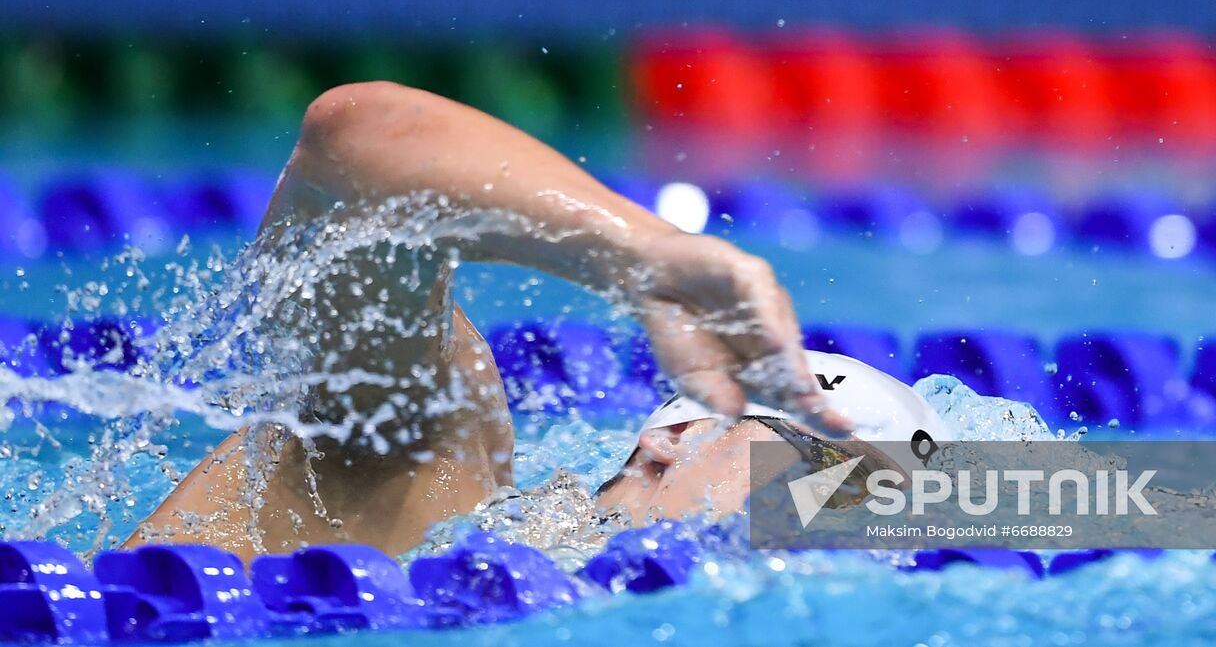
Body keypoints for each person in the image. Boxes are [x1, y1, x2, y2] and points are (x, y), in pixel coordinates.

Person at [127, 82, 949, 562]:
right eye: (823, 476)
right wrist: (646, 256)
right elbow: (352, 141)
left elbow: (1064, 496)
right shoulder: (428, 472)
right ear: (671, 445)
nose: (831, 526)